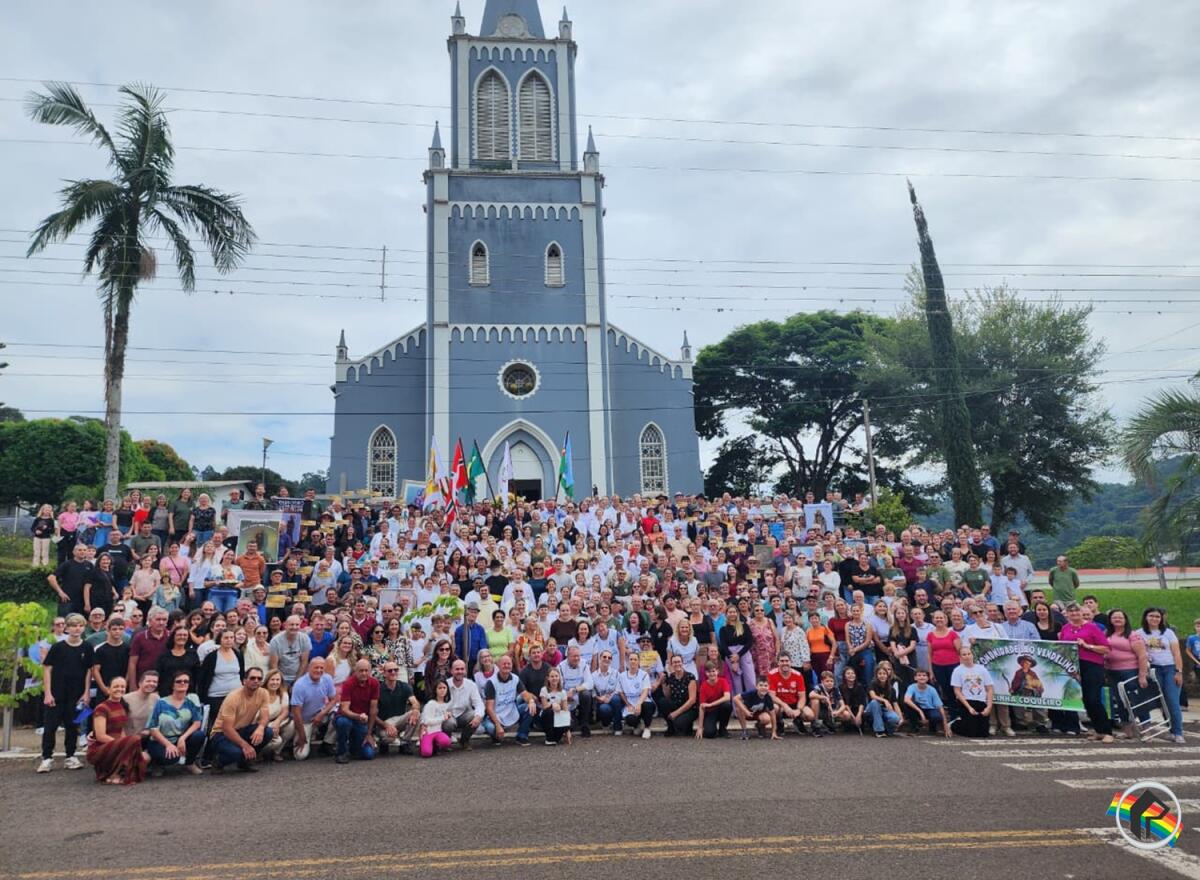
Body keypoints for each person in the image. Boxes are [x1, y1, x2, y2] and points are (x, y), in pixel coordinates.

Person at [37, 613, 93, 774]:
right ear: (67, 628)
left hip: (76, 695)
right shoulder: (58, 647)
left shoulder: (87, 647)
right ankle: (47, 758)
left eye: (80, 625)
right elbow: (47, 669)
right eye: (73, 625)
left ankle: (70, 756)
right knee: (50, 726)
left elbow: (89, 671)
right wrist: (48, 693)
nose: (77, 629)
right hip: (56, 693)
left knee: (73, 726)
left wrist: (86, 693)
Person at [1060, 601, 1113, 744]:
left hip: (1092, 665)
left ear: (1081, 612)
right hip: (1074, 667)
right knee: (1085, 700)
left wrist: (1087, 646)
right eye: (1071, 611)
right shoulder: (1065, 628)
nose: (1074, 613)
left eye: (1076, 611)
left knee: (1093, 698)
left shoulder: (1092, 627)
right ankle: (1098, 730)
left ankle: (1107, 731)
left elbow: (1106, 648)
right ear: (1067, 614)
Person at [85, 675, 147, 785]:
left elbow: (121, 731)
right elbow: (100, 736)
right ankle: (112, 773)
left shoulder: (121, 706)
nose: (120, 689)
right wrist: (122, 745)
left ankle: (115, 773)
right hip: (100, 748)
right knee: (134, 739)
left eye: (123, 687)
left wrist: (125, 744)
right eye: (116, 686)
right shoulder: (101, 708)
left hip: (115, 745)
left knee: (138, 749)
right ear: (108, 689)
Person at [209, 667, 272, 772]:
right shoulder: (233, 697)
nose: (256, 681)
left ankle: (245, 762)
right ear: (244, 681)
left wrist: (261, 728)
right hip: (221, 734)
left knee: (268, 732)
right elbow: (227, 729)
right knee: (238, 753)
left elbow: (265, 716)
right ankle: (218, 761)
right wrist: (246, 746)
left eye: (259, 678)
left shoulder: (264, 693)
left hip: (241, 730)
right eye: (252, 678)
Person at [1138, 607, 1186, 744]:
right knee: (1151, 701)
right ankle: (1148, 729)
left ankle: (1177, 732)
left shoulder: (1168, 633)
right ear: (1146, 617)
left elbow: (1177, 653)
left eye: (1157, 616)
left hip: (1170, 668)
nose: (1154, 619)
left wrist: (1179, 671)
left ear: (1161, 619)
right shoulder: (1139, 633)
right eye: (1151, 616)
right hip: (1152, 669)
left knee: (1172, 700)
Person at [146, 671, 205, 775]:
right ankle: (158, 764)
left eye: (186, 681)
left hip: (180, 739)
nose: (182, 683)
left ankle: (189, 763)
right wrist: (168, 745)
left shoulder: (191, 700)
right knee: (172, 758)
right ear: (172, 684)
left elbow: (197, 723)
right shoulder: (161, 703)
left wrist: (182, 738)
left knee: (199, 735)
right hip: (160, 741)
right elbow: (153, 729)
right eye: (178, 681)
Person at [290, 656, 338, 761]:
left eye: (321, 668)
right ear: (309, 668)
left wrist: (321, 714)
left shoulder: (327, 679)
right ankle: (305, 736)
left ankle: (327, 743)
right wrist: (302, 735)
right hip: (304, 721)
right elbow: (296, 714)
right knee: (300, 756)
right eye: (316, 667)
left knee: (338, 714)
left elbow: (334, 700)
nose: (319, 670)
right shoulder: (300, 685)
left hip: (320, 715)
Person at [335, 659, 380, 764]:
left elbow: (373, 710)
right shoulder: (348, 683)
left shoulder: (374, 683)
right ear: (355, 671)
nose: (364, 673)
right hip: (347, 717)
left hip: (362, 721)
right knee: (343, 722)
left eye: (366, 670)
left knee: (368, 755)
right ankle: (341, 752)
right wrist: (358, 716)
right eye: (361, 670)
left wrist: (369, 733)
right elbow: (344, 710)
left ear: (370, 671)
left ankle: (353, 747)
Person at [376, 661, 421, 754]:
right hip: (383, 723)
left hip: (399, 720)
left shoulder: (404, 686)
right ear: (384, 673)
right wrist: (386, 725)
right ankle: (383, 743)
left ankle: (405, 742)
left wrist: (416, 710)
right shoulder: (378, 689)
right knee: (389, 738)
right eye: (390, 670)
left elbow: (415, 702)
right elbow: (372, 714)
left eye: (396, 670)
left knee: (416, 714)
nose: (393, 672)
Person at [950, 646, 993, 739]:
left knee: (983, 734)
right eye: (964, 654)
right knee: (971, 733)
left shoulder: (982, 669)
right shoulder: (957, 671)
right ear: (960, 657)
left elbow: (989, 689)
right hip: (966, 701)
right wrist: (969, 707)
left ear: (972, 655)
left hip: (981, 701)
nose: (967, 656)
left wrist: (989, 707)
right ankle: (954, 723)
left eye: (969, 654)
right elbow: (957, 691)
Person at [768, 653, 816, 736]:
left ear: (791, 662)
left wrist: (799, 710)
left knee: (810, 715)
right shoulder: (771, 674)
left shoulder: (798, 675)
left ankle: (798, 721)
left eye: (787, 661)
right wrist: (785, 706)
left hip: (794, 703)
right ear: (778, 662)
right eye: (782, 661)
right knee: (774, 708)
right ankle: (779, 723)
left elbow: (802, 697)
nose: (785, 663)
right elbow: (772, 696)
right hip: (780, 704)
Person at [444, 659, 485, 750]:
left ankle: (464, 740)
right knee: (449, 723)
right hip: (449, 716)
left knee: (475, 715)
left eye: (462, 669)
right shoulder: (445, 684)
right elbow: (438, 704)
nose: (460, 671)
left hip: (463, 715)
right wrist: (444, 713)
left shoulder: (471, 685)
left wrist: (478, 716)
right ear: (451, 671)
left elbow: (479, 704)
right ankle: (446, 741)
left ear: (465, 671)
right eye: (457, 669)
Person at [616, 649, 655, 738]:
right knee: (630, 719)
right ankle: (637, 725)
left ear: (638, 662)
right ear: (628, 661)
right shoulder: (622, 676)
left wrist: (639, 704)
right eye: (631, 659)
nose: (633, 661)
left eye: (635, 659)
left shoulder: (644, 675)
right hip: (630, 704)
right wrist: (628, 704)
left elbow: (645, 691)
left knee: (648, 705)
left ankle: (647, 728)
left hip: (642, 701)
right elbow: (621, 692)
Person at [557, 644, 594, 738]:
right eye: (574, 656)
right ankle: (575, 719)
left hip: (578, 695)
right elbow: (557, 687)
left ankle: (585, 725)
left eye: (578, 656)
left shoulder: (584, 664)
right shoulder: (560, 667)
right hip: (566, 700)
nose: (577, 658)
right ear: (568, 656)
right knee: (570, 726)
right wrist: (565, 695)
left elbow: (590, 683)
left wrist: (575, 689)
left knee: (586, 694)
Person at [658, 654, 698, 737]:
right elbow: (667, 695)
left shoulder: (690, 677)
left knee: (679, 725)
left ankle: (687, 726)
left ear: (682, 663)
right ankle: (670, 727)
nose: (677, 664)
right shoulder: (671, 676)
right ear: (672, 664)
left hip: (690, 708)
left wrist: (676, 713)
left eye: (679, 662)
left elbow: (692, 700)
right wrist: (663, 684)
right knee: (662, 701)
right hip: (677, 704)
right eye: (674, 662)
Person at [903, 668, 951, 737]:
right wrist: (920, 711)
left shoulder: (932, 689)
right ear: (915, 678)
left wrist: (945, 725)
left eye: (924, 675)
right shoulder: (912, 687)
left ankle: (932, 727)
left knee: (936, 716)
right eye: (919, 675)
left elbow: (940, 706)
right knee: (908, 705)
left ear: (928, 678)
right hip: (918, 709)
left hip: (929, 709)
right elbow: (906, 700)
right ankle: (914, 727)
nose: (922, 677)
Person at [269, 615, 311, 687]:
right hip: (281, 678)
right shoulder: (275, 641)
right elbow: (274, 665)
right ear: (285, 625)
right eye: (291, 624)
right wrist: (281, 684)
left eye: (297, 625)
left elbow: (304, 663)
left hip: (299, 677)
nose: (294, 627)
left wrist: (296, 682)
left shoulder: (305, 638)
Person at [262, 670, 294, 761]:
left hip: (275, 721)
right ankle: (258, 752)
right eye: (272, 680)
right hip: (261, 723)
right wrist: (269, 726)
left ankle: (276, 752)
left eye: (277, 680)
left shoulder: (283, 694)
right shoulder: (261, 693)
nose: (275, 682)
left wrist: (277, 722)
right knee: (277, 741)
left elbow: (285, 711)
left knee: (292, 725)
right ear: (267, 681)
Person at [695, 661, 732, 739]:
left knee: (727, 705)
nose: (712, 674)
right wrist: (700, 727)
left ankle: (723, 729)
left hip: (721, 709)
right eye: (709, 672)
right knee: (709, 733)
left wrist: (711, 704)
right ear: (706, 673)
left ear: (717, 671)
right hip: (710, 712)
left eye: (713, 671)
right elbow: (702, 707)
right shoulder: (703, 686)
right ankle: (711, 728)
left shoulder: (723, 681)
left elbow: (727, 697)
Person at [418, 680, 455, 758]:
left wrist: (448, 716)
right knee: (426, 753)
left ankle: (436, 744)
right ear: (435, 690)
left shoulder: (447, 704)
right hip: (428, 732)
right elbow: (426, 721)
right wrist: (443, 718)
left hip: (438, 731)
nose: (442, 690)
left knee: (446, 742)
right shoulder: (431, 704)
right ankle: (425, 744)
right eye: (439, 688)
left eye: (444, 688)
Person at [733, 676, 777, 741]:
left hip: (759, 714)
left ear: (768, 687)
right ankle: (744, 731)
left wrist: (774, 732)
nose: (763, 687)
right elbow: (735, 698)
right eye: (761, 685)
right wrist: (746, 711)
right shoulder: (751, 693)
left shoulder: (768, 697)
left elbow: (773, 715)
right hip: (747, 713)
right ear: (756, 687)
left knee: (767, 718)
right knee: (738, 709)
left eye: (765, 686)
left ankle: (760, 726)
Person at [866, 662, 902, 737]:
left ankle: (887, 729)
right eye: (880, 674)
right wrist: (885, 700)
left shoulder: (891, 689)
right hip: (871, 709)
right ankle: (879, 731)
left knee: (895, 718)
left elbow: (895, 704)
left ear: (887, 675)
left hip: (884, 709)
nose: (882, 676)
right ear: (876, 675)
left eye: (884, 674)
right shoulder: (872, 684)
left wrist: (900, 717)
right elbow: (873, 696)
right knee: (875, 702)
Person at [538, 667, 572, 746]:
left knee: (570, 720)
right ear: (548, 678)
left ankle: (555, 738)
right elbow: (544, 706)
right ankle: (549, 739)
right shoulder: (544, 690)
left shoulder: (563, 692)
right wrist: (552, 705)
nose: (554, 678)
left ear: (559, 678)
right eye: (552, 676)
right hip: (546, 717)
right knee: (549, 712)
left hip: (558, 718)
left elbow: (565, 710)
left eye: (556, 676)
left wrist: (568, 730)